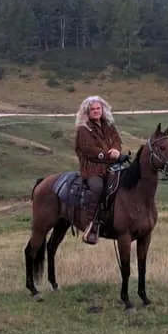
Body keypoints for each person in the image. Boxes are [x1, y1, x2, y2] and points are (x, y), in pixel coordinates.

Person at [74, 95, 123, 245]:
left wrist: (116, 149)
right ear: (87, 112)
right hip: (92, 168)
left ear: (103, 110)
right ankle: (91, 225)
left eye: (98, 108)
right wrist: (109, 155)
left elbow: (116, 140)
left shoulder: (108, 126)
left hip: (111, 166)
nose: (96, 111)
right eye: (92, 109)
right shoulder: (83, 129)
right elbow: (89, 151)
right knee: (97, 187)